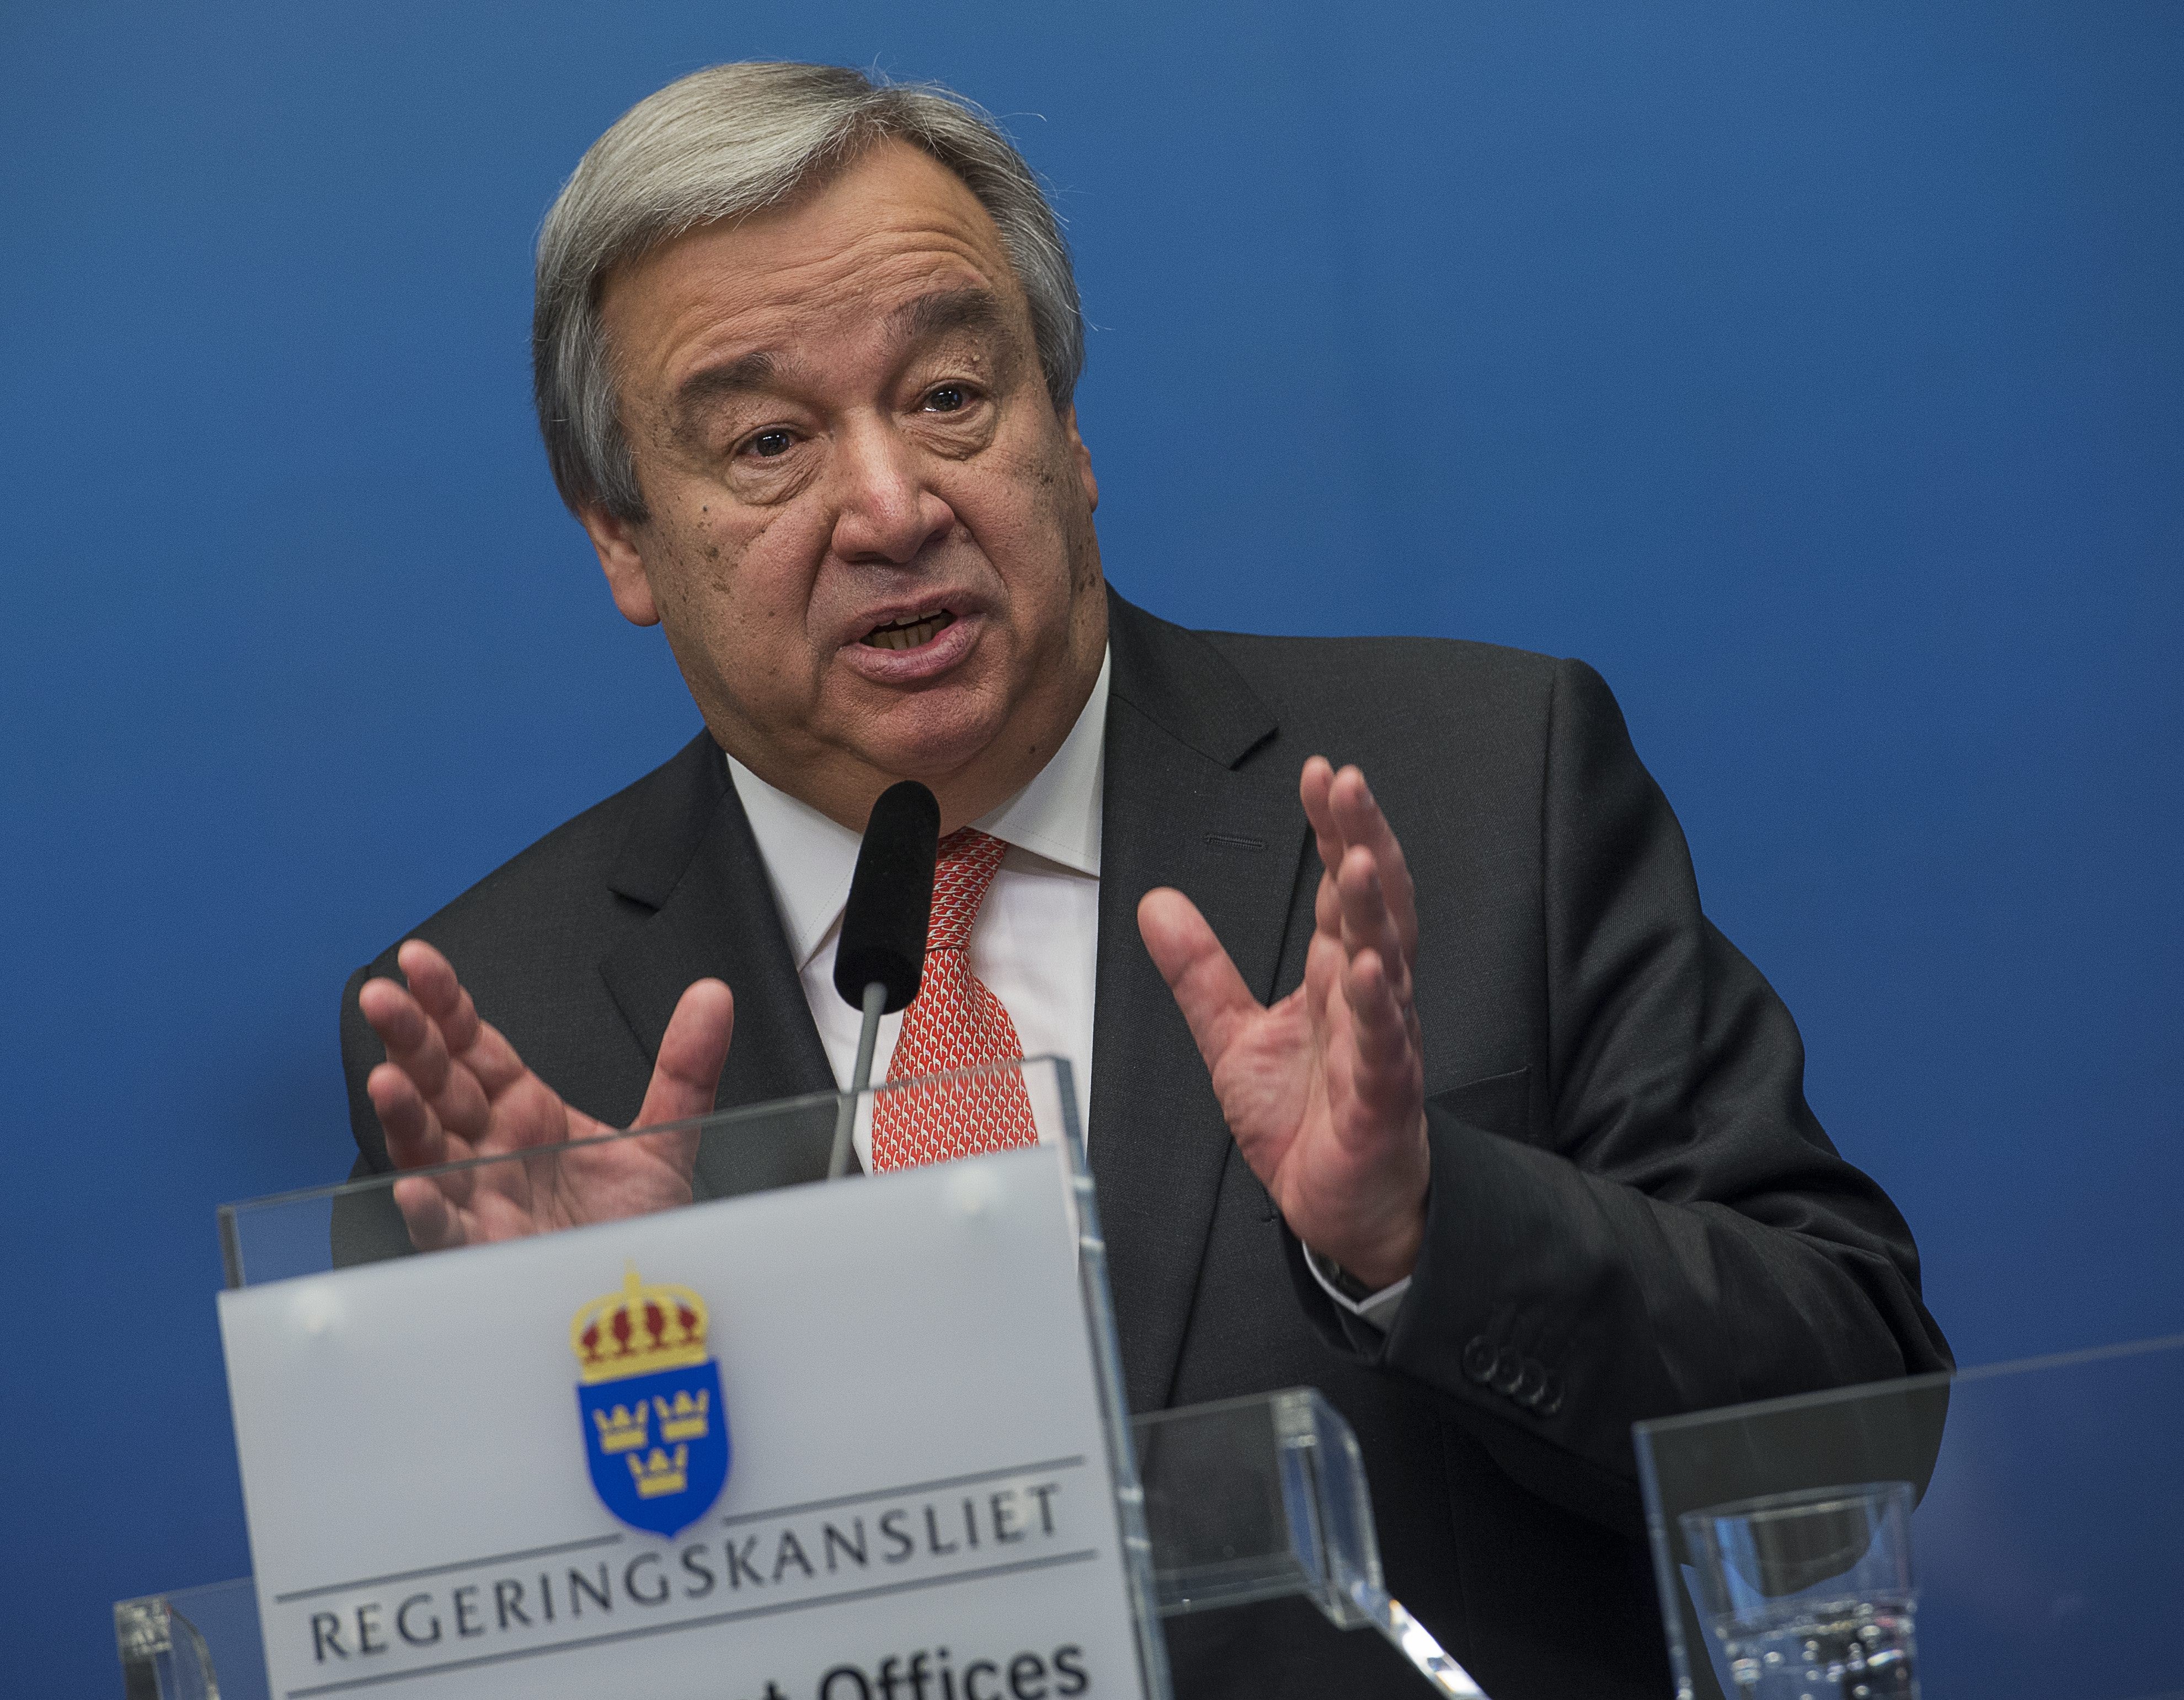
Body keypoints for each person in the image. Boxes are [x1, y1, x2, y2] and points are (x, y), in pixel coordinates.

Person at [336, 62, 1950, 1698]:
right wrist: (570, 1408)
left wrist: (1422, 1226)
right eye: (768, 440)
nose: (893, 506)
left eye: (954, 395)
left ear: (1069, 427)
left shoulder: (1482, 781)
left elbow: (1859, 1411)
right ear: (622, 536)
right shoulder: (496, 1023)